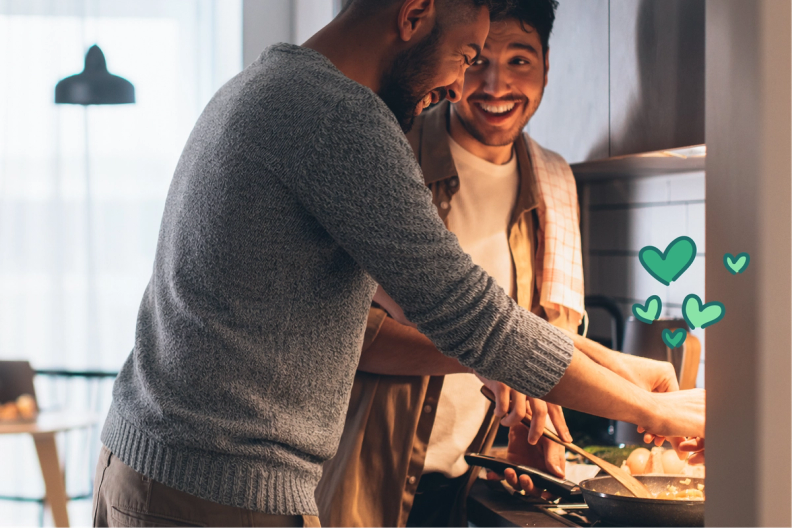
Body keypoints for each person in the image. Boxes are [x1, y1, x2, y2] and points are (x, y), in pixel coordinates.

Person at [92, 0, 705, 526]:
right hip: (216, 495)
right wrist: (651, 409)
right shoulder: (340, 119)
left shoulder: (273, 86)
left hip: (158, 472)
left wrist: (621, 369)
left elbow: (416, 325)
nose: (462, 84)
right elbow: (471, 318)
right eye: (468, 55)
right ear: (415, 13)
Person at [315, 3, 605, 526]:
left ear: (546, 68)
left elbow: (545, 337)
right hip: (363, 473)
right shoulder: (392, 151)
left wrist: (519, 440)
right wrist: (487, 356)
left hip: (469, 480)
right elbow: (347, 331)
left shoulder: (555, 183)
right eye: (477, 60)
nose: (496, 86)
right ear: (453, 61)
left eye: (520, 60)